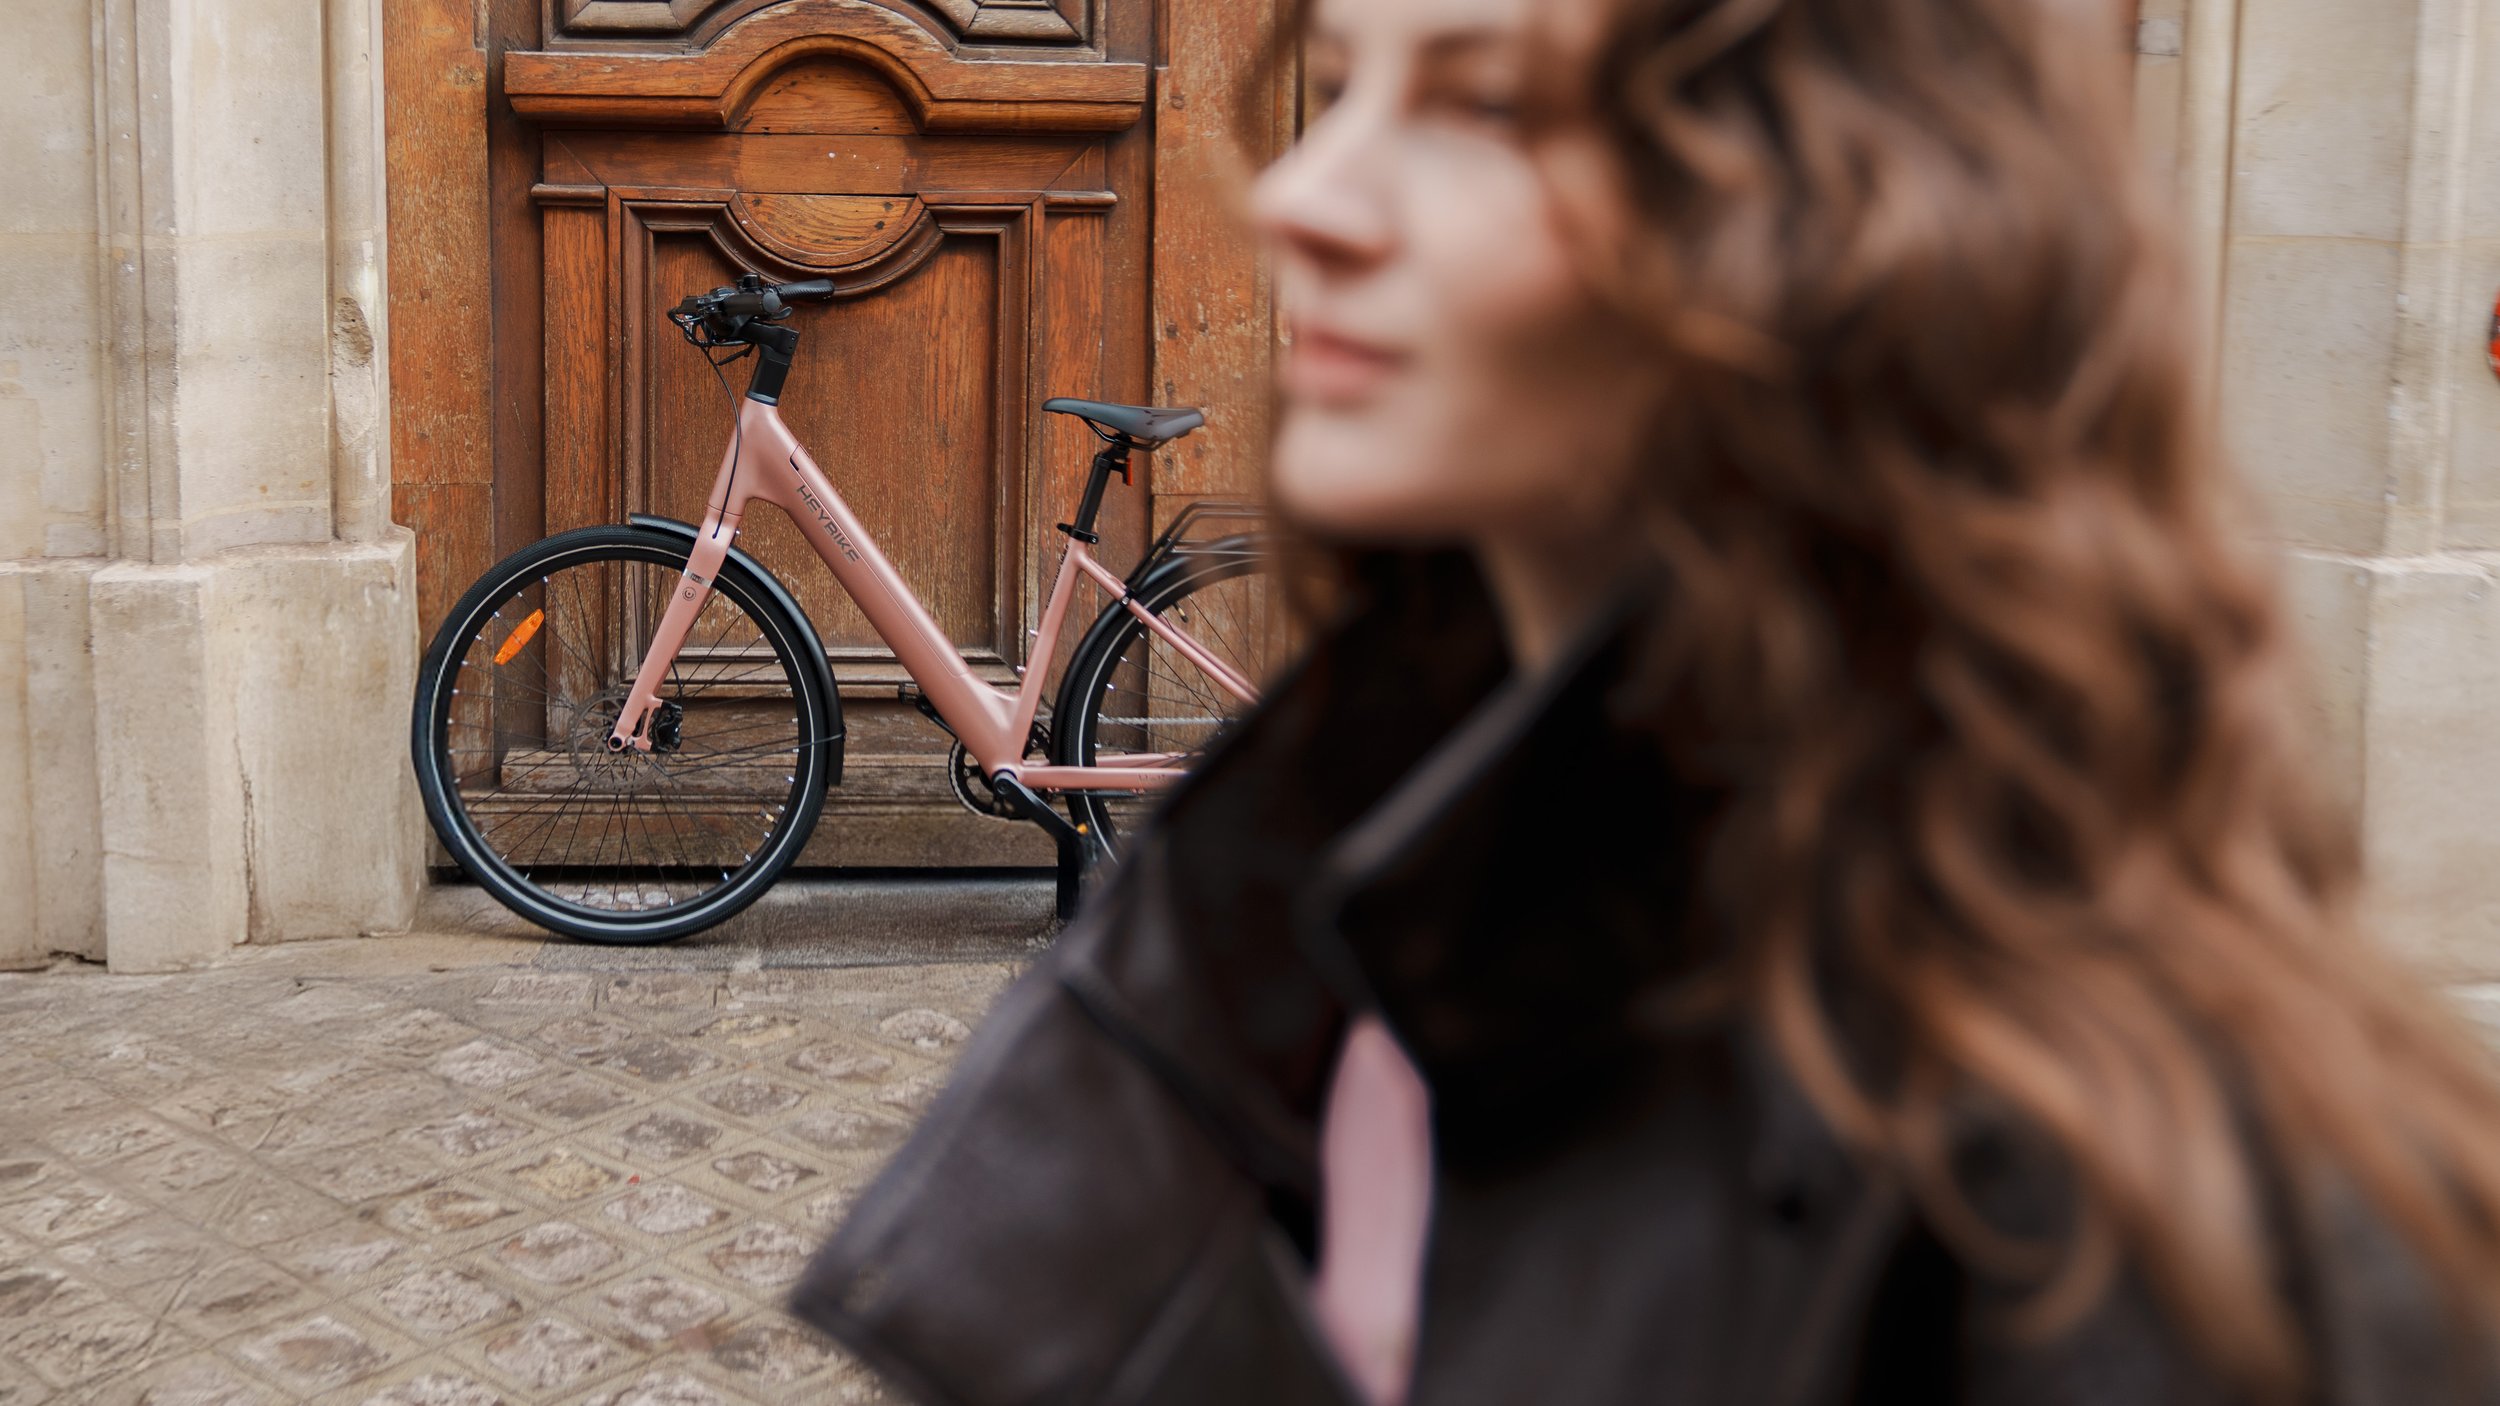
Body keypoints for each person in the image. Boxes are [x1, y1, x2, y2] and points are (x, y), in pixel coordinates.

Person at [793, 0, 2500, 1399]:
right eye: (1340, 83)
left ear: (1819, 229)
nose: (1303, 191)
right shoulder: (1317, 891)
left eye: (1474, 106)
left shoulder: (2180, 1215)